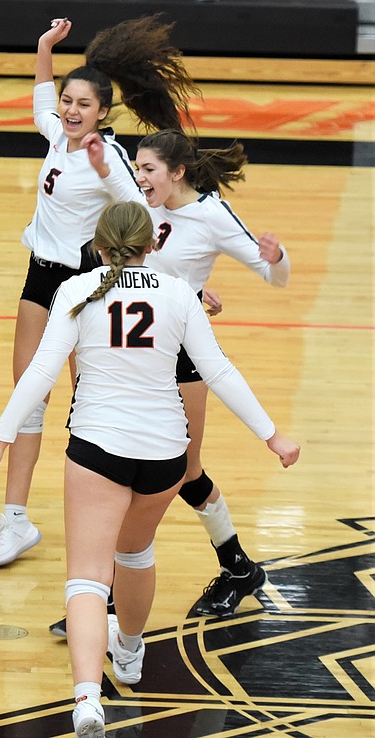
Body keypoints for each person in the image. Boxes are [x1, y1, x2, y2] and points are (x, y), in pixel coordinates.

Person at [0, 201, 300, 738]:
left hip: (98, 448)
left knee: (86, 576)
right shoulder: (176, 293)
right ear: (152, 245)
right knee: (135, 552)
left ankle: (86, 700)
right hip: (166, 453)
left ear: (98, 247)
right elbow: (218, 370)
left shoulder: (75, 291)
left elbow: (42, 371)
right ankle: (128, 650)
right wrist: (272, 435)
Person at [0, 14, 200, 569]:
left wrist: (183, 278)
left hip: (88, 284)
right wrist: (42, 48)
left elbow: (143, 213)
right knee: (28, 390)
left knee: (90, 403)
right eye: (68, 100)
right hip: (41, 276)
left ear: (104, 111)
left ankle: (100, 519)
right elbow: (39, 102)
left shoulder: (110, 159)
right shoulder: (58, 132)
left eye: (83, 103)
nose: (71, 109)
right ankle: (15, 520)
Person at [137, 129, 291, 618]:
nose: (140, 179)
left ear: (177, 172)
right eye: (137, 169)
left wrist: (277, 258)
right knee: (132, 470)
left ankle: (238, 569)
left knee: (183, 470)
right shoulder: (145, 203)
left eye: (148, 170)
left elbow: (274, 278)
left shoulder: (211, 216)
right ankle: (117, 594)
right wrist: (194, 289)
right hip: (137, 352)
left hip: (182, 353)